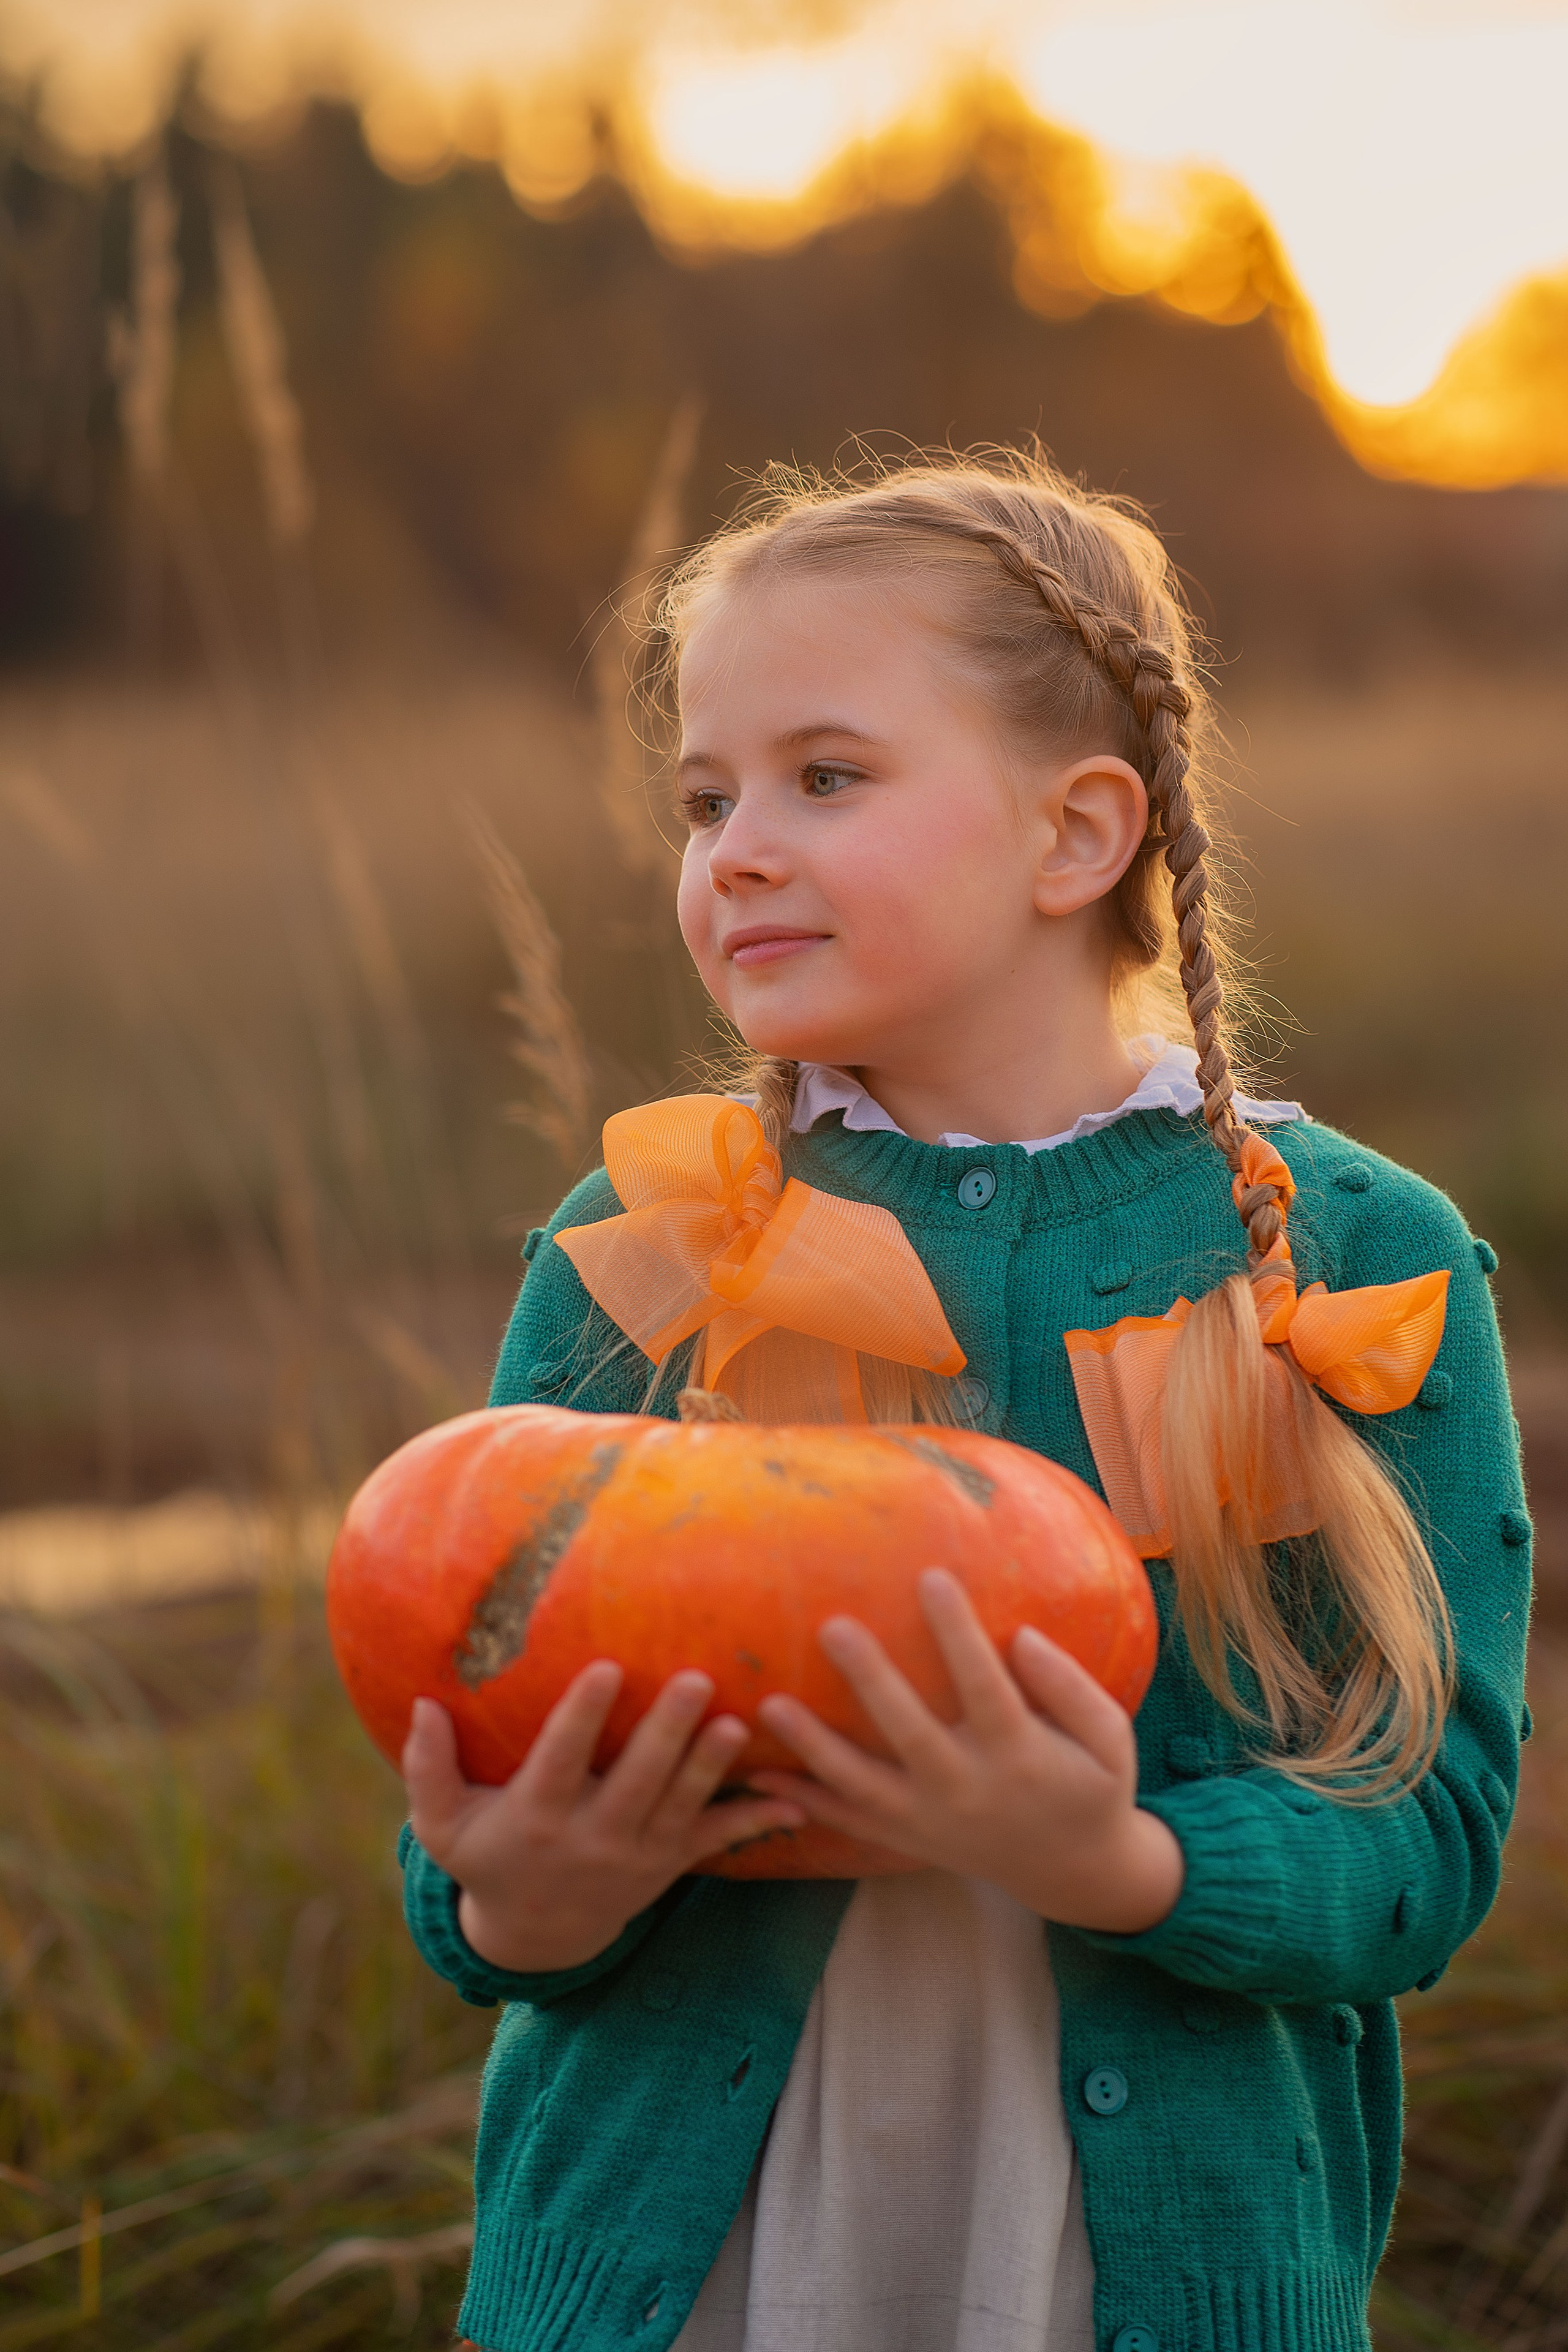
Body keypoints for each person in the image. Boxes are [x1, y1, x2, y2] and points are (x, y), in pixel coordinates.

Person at [396, 451, 1531, 2352]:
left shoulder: (1349, 1259)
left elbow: (1428, 1837)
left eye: (824, 778)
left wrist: (1117, 1863)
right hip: (695, 2283)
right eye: (703, 797)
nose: (733, 846)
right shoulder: (645, 1241)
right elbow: (464, 1846)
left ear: (1076, 834)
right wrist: (522, 1898)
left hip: (1125, 2284)